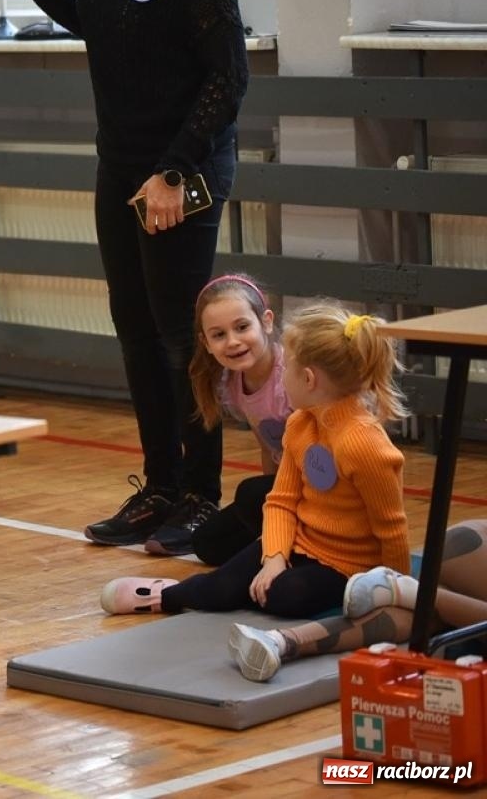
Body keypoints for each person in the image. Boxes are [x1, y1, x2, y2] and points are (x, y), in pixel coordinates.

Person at [0, 0, 249, 557]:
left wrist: (172, 171)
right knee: (134, 330)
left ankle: (200, 494)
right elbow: (108, 26)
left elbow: (229, 76)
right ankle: (159, 487)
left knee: (179, 336)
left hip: (182, 168)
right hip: (122, 164)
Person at [101, 303, 410, 625]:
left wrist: (397, 589)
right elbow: (281, 501)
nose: (282, 376)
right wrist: (274, 557)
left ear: (308, 379)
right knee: (222, 586)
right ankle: (166, 595)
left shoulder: (364, 444)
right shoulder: (300, 424)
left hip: (349, 565)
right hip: (301, 542)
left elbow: (391, 528)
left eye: (286, 368)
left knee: (285, 596)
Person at [230, 520, 487, 682]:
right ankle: (401, 588)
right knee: (420, 612)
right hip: (469, 550)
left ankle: (281, 640)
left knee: (415, 618)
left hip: (461, 550)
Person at [183, 273, 289, 563]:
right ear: (206, 342)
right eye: (219, 335)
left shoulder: (292, 374)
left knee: (251, 493)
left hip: (321, 488)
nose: (233, 342)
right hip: (289, 487)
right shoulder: (232, 383)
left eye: (242, 327)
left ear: (266, 321)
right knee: (207, 543)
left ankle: (288, 549)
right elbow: (270, 449)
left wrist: (276, 504)